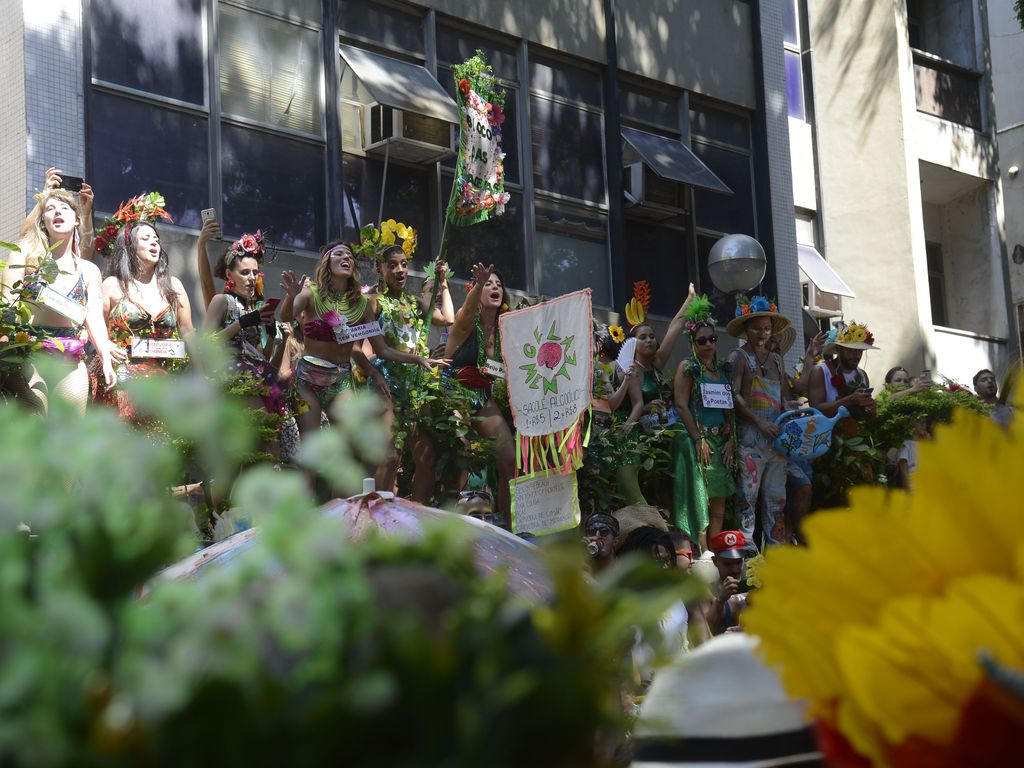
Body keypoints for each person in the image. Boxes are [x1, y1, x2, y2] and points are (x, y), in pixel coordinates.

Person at [281, 242, 445, 448]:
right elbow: (286, 315)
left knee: (351, 448)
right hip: (307, 381)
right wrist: (291, 296)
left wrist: (419, 359)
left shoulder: (362, 304)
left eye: (350, 256)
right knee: (312, 449)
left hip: (340, 382)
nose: (346, 258)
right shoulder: (310, 293)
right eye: (339, 254)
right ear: (326, 263)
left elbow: (382, 350)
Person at [2, 187, 116, 413]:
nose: (57, 212)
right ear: (43, 220)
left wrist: (105, 355)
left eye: (64, 208)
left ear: (76, 220)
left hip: (71, 360)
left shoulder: (88, 270)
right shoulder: (25, 256)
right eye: (50, 209)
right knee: (35, 418)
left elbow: (93, 317)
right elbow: (8, 303)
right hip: (29, 355)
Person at [97, 195, 197, 419]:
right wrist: (104, 345)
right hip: (122, 380)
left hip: (166, 381)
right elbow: (95, 325)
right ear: (130, 246)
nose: (155, 242)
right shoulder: (112, 285)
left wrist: (201, 373)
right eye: (146, 238)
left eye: (156, 238)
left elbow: (188, 331)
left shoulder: (174, 286)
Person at [371, 236, 454, 501]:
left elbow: (448, 319)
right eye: (392, 265)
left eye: (404, 264)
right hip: (387, 385)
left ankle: (416, 520)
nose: (400, 270)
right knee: (390, 454)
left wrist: (443, 286)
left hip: (416, 387)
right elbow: (371, 349)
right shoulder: (373, 304)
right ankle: (377, 518)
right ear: (380, 270)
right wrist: (416, 360)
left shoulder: (416, 301)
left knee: (426, 455)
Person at [443, 262, 517, 527]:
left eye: (498, 284)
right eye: (489, 284)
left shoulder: (505, 329)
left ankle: (507, 529)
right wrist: (477, 284)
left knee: (509, 461)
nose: (494, 287)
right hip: (451, 393)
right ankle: (451, 526)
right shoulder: (466, 320)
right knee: (462, 458)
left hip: (482, 395)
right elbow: (468, 308)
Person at [203, 230, 285, 454]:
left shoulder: (254, 308)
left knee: (264, 448)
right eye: (245, 272)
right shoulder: (222, 301)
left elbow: (263, 357)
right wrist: (240, 323)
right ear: (230, 274)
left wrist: (274, 336)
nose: (252, 278)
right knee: (266, 433)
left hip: (257, 376)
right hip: (230, 378)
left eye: (255, 273)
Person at [727, 296, 796, 552]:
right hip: (751, 437)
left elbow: (785, 397)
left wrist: (791, 409)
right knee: (747, 496)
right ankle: (746, 554)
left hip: (776, 437)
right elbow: (733, 395)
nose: (762, 334)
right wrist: (758, 422)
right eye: (757, 328)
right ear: (747, 329)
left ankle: (776, 552)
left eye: (767, 328)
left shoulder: (777, 359)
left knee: (777, 498)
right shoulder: (738, 356)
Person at [672, 294, 736, 550]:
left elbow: (729, 408)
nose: (708, 344)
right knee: (701, 498)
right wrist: (698, 438)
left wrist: (732, 439)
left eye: (712, 339)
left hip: (721, 440)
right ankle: (703, 551)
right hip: (700, 441)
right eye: (702, 340)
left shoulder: (722, 369)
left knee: (719, 499)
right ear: (692, 342)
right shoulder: (688, 367)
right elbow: (681, 404)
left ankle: (717, 550)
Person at [807, 321, 878, 420]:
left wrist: (870, 409)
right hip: (827, 434)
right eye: (850, 349)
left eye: (859, 350)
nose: (856, 354)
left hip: (855, 433)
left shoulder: (863, 375)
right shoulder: (820, 371)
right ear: (838, 349)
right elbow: (815, 410)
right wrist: (850, 400)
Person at [704, 530, 748, 635]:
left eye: (738, 562)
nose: (734, 569)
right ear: (715, 561)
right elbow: (704, 630)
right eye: (727, 564)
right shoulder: (708, 591)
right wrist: (720, 600)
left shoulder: (752, 586)